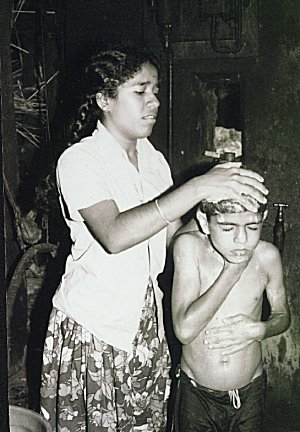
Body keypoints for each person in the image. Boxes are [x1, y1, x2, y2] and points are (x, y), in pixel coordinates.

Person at [39, 45, 268, 432]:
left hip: (145, 321)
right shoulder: (80, 160)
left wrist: (227, 229)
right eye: (140, 91)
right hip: (96, 326)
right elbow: (113, 234)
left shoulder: (152, 159)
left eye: (156, 91)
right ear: (104, 99)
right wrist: (196, 188)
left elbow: (171, 238)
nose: (154, 102)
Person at [171, 194, 291, 432]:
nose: (241, 239)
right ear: (205, 223)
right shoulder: (189, 247)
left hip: (250, 392)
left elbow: (283, 316)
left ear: (263, 218)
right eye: (227, 228)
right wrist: (233, 270)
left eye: (253, 226)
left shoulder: (267, 256)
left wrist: (261, 329)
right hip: (197, 395)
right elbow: (184, 330)